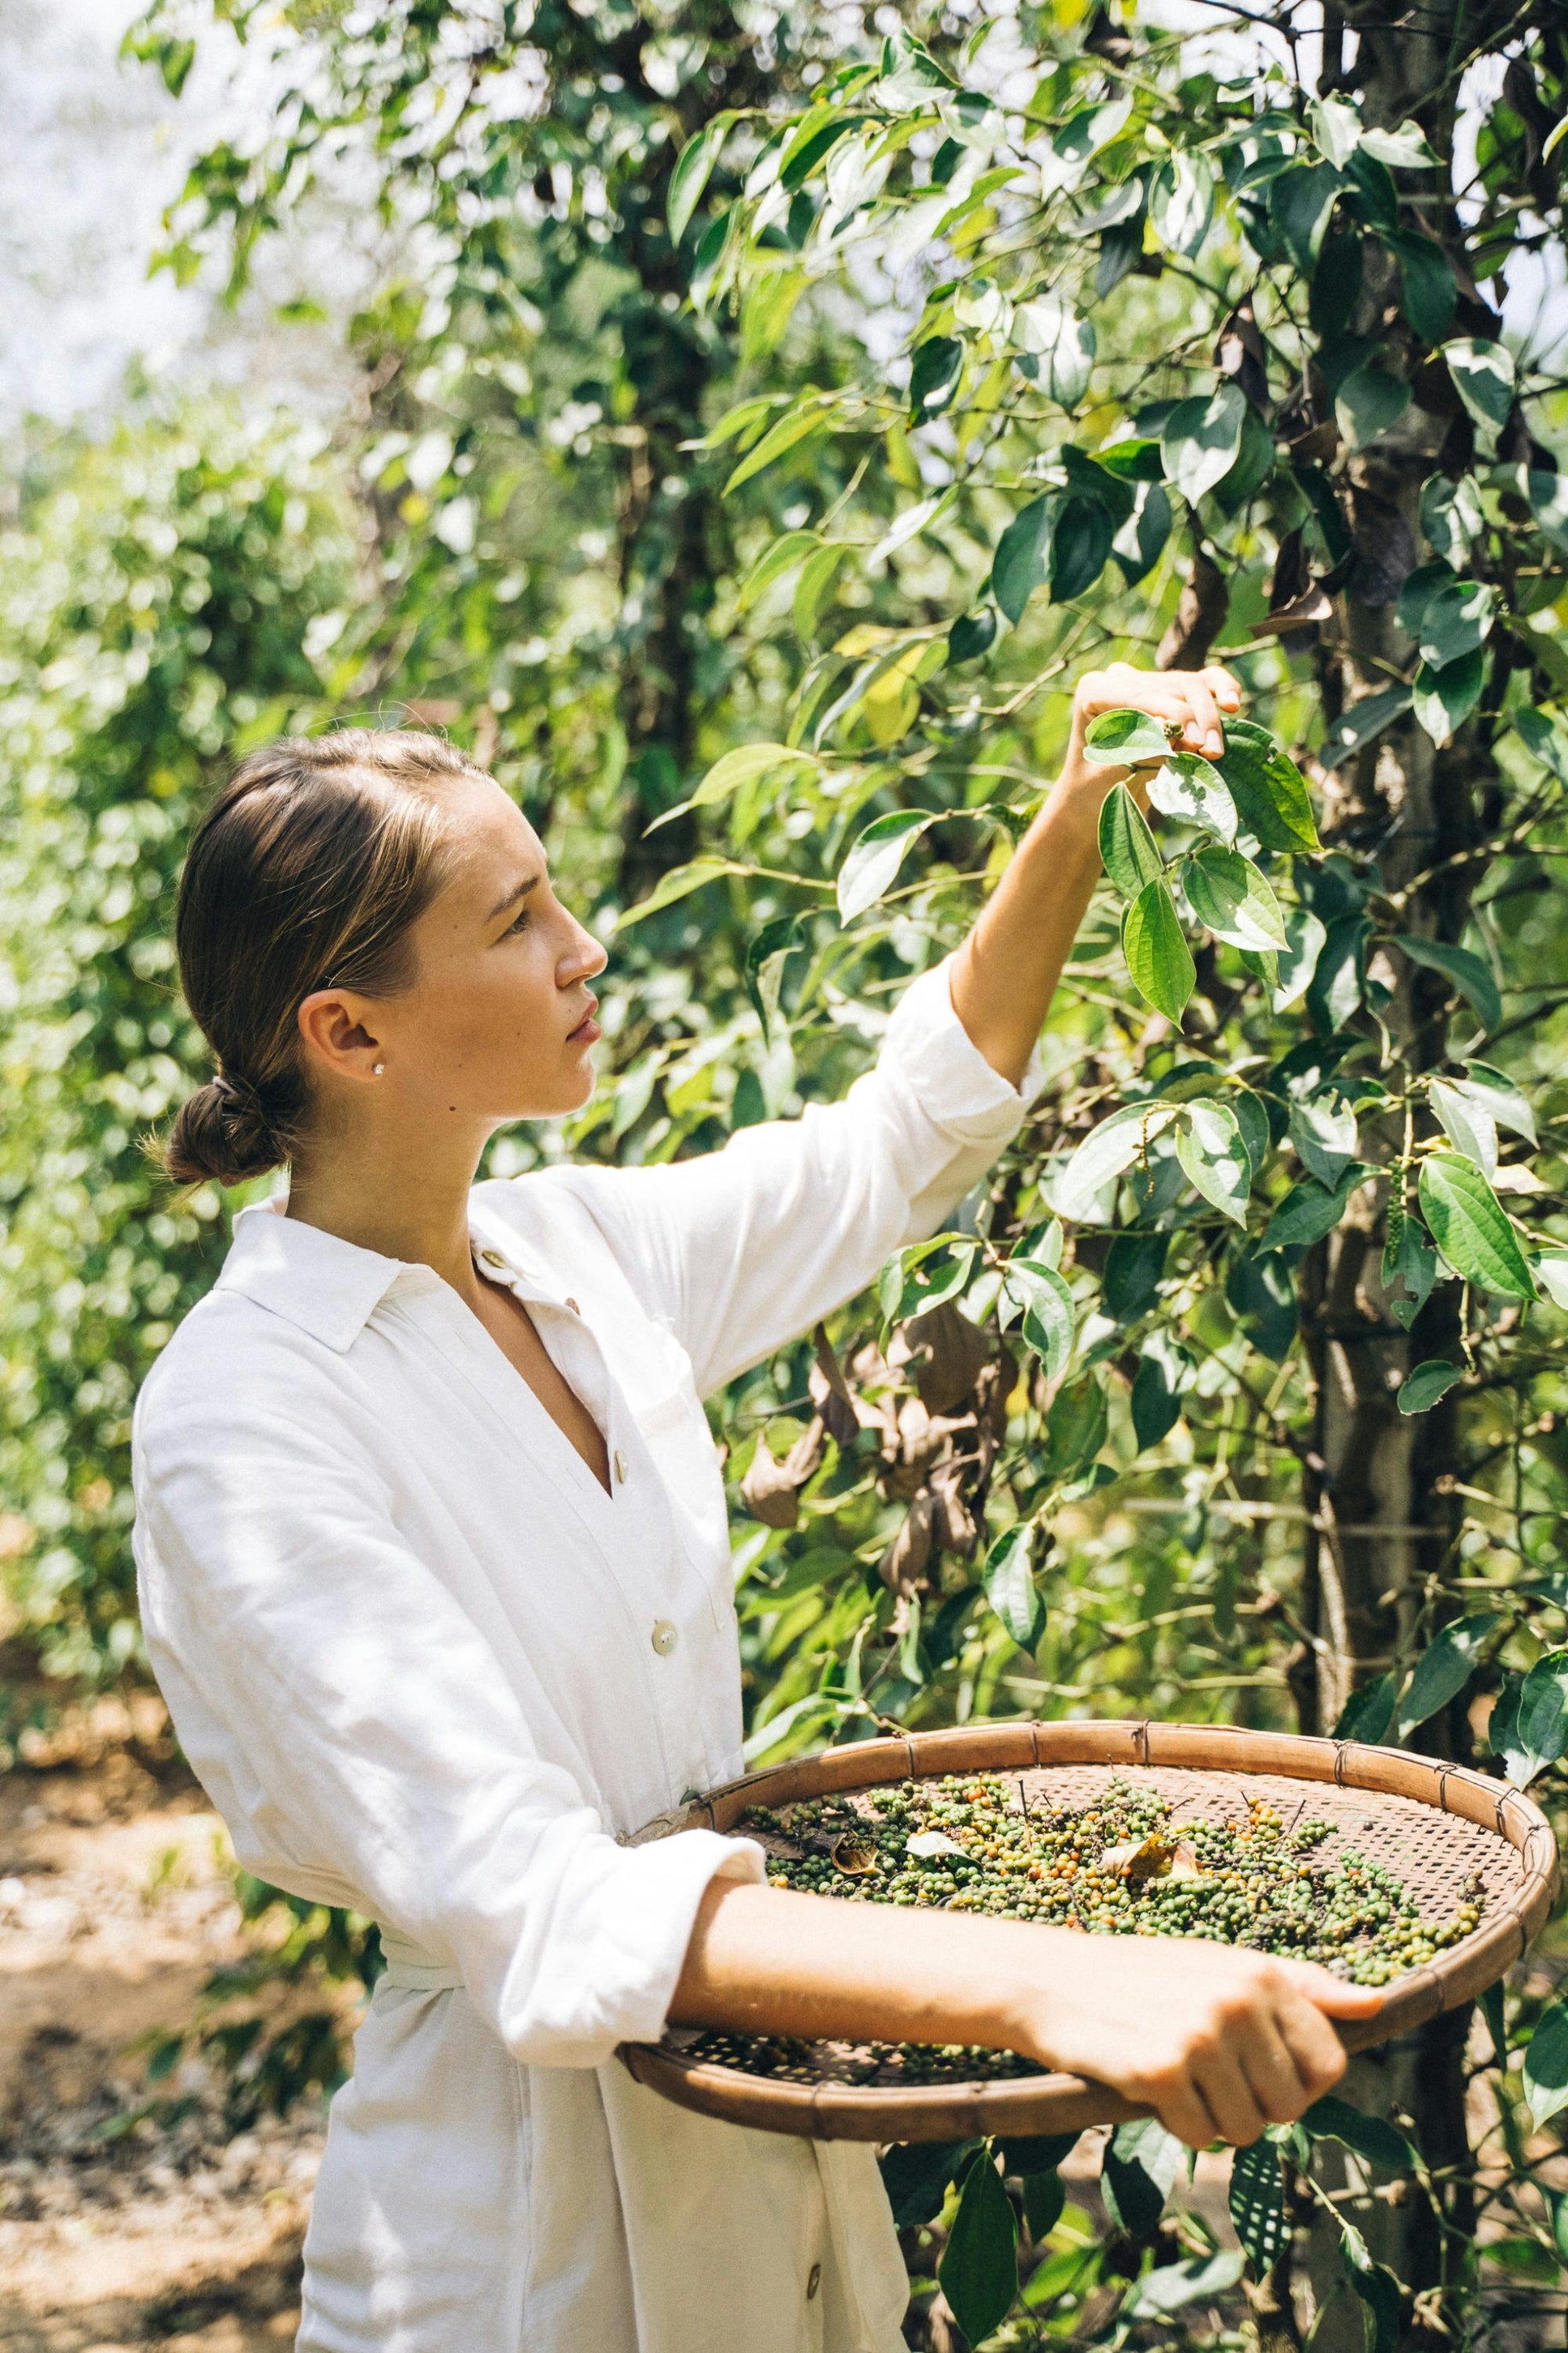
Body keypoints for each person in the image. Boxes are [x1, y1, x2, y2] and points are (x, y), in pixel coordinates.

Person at [132, 661, 1379, 2353]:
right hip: (513, 2248)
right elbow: (541, 1896)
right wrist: (1050, 1975)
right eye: (516, 922)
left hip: (757, 2162)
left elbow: (897, 1141)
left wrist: (1076, 812)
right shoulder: (246, 1417)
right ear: (349, 1032)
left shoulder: (570, 1251)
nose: (584, 949)